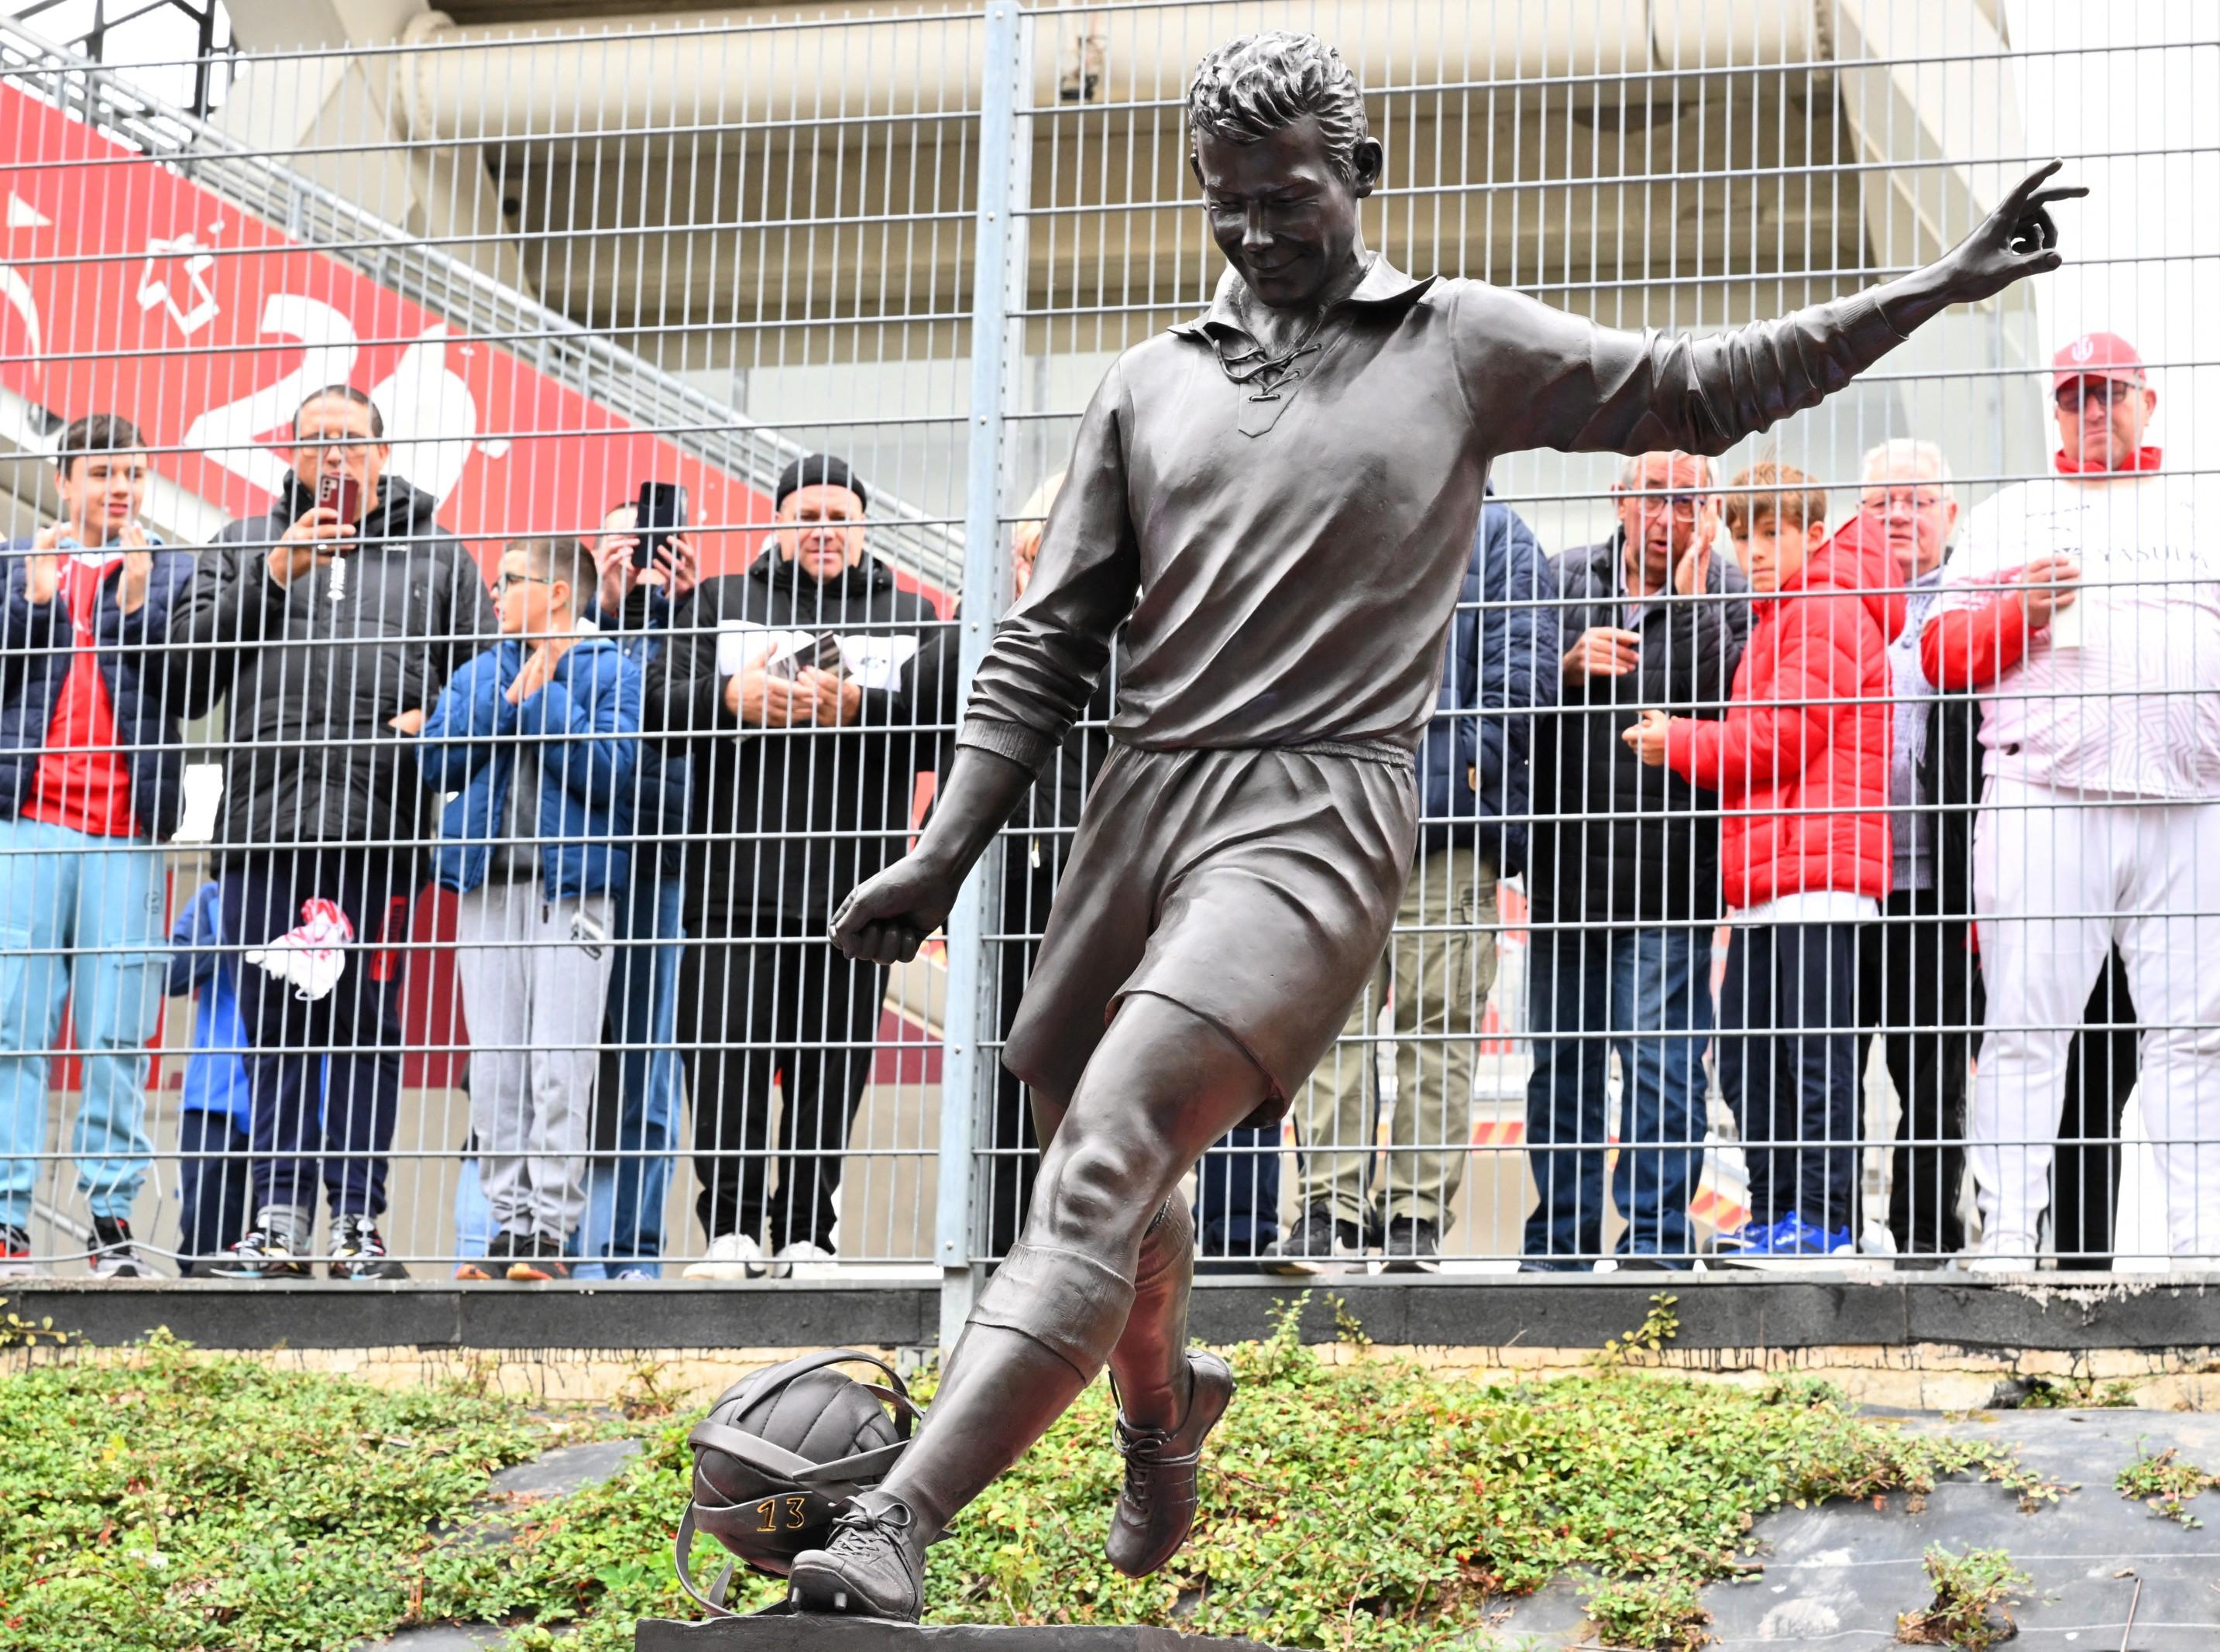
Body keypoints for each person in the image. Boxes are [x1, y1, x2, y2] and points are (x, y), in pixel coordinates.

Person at [809, 26, 2074, 1618]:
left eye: (1287, 198)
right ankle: (1162, 1411)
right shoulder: (1148, 380)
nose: (1259, 235)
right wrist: (943, 851)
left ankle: (897, 1518)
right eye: (1227, 205)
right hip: (1141, 813)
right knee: (1112, 1172)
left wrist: (1930, 291)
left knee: (1105, 1161)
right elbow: (1054, 634)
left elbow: (1697, 385)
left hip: (1314, 817)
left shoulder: (1456, 343)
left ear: (1361, 177)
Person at [1920, 331, 2220, 1272]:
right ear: (2056, 411)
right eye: (2076, 396)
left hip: (2193, 808)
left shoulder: (2204, 515)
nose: (2094, 410)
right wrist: (2018, 611)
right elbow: (1940, 657)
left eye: (2110, 393)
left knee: (2193, 1038)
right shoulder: (2011, 516)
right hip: (2047, 796)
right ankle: (2007, 1239)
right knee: (2025, 1031)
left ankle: (2203, 1254)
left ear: (2146, 402)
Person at [174, 383, 494, 1281]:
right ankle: (275, 1216)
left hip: (375, 828)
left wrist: (433, 718)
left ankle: (357, 1218)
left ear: (382, 456)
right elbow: (182, 673)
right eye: (317, 441)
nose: (335, 458)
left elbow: (483, 684)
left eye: (352, 442)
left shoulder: (436, 557)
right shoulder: (244, 545)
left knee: (361, 1024)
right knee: (272, 1019)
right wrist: (276, 575)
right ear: (291, 453)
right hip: (263, 829)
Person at [655, 454, 940, 1279]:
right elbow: (648, 702)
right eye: (806, 514)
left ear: (862, 526)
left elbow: (945, 726)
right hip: (733, 882)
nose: (822, 528)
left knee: (832, 1063)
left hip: (859, 893)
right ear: (778, 522)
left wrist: (863, 708)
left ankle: (810, 1232)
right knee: (723, 1057)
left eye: (839, 515)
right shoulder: (720, 604)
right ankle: (732, 1230)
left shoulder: (909, 614)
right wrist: (727, 700)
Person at [1266, 487, 1549, 1273]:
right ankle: (1328, 1212)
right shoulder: (1335, 516)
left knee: (1438, 1020)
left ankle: (1413, 1219)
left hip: (1446, 827)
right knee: (1331, 1024)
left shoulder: (1496, 532)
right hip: (1338, 822)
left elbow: (1523, 663)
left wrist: (1471, 764)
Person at [1629, 464, 1903, 1260]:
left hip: (1817, 879)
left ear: (1813, 536)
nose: (1751, 551)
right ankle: (1779, 1214)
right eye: (1743, 534)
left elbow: (1782, 737)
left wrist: (1675, 741)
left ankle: (1822, 1221)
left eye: (1769, 534)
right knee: (1752, 1060)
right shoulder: (1781, 612)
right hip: (1771, 881)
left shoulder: (1822, 608)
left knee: (1813, 1056)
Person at [1521, 451, 1748, 1271]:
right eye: (1655, 498)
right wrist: (1566, 666)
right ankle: (1561, 1245)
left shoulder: (1726, 591)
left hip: (1674, 882)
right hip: (1568, 877)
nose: (1668, 518)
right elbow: (1511, 691)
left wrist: (1688, 602)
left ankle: (1655, 1244)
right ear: (1620, 498)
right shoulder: (1562, 578)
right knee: (1564, 1070)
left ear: (1710, 512)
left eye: (1689, 503)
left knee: (1662, 1072)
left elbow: (1724, 707)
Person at [897, 474, 1106, 1262]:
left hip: (1092, 889)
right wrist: (995, 612)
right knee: (995, 1069)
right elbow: (920, 701)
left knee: (1089, 1077)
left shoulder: (1130, 629)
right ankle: (993, 1252)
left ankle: (1077, 1249)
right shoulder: (986, 628)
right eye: (1032, 543)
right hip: (1001, 888)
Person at [420, 538, 642, 1282]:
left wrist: (544, 692)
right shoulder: (482, 668)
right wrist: (511, 686)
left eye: (509, 580)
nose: (495, 593)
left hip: (573, 891)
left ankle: (549, 1230)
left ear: (555, 593)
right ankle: (505, 1228)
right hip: (486, 886)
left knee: (560, 1060)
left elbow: (616, 770)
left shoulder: (612, 668)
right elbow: (436, 758)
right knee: (496, 1065)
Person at [0, 414, 189, 1280]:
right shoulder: (17, 567)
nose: (122, 487)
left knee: (117, 1031)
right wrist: (32, 606)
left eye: (137, 473)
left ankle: (111, 1218)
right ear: (66, 481)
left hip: (126, 830)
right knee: (14, 1027)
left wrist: (141, 604)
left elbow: (186, 689)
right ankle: (7, 1217)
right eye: (105, 472)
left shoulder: (168, 572)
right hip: (30, 824)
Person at [1851, 438, 1978, 1262]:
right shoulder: (1839, 598)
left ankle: (1925, 1241)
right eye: (1880, 504)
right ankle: (1820, 1229)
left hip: (1941, 881)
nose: (1899, 516)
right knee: (1822, 1065)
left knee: (1931, 1074)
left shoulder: (1972, 597)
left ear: (1951, 515)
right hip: (1849, 878)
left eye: (1917, 501)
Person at [578, 499, 699, 1278]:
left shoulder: (700, 620)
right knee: (556, 1057)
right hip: (574, 867)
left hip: (663, 862)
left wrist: (683, 608)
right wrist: (601, 605)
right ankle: (545, 1242)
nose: (644, 556)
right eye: (626, 538)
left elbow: (699, 712)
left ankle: (634, 1252)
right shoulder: (572, 620)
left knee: (648, 1066)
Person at [165, 880, 255, 1274]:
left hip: (291, 1093)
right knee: (205, 1245)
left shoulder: (317, 889)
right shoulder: (214, 895)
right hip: (214, 1093)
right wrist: (227, 934)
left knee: (275, 1253)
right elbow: (171, 973)